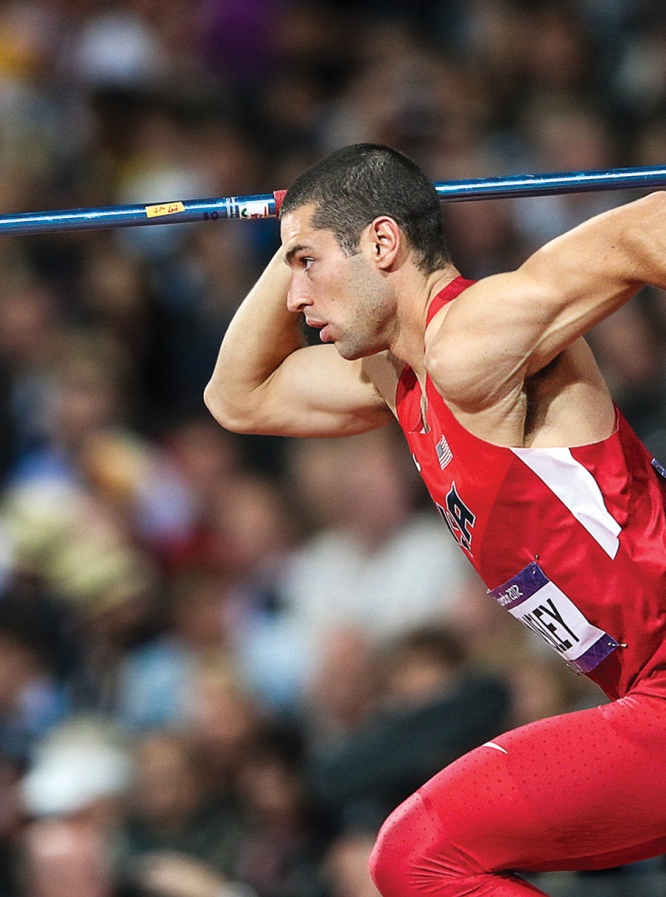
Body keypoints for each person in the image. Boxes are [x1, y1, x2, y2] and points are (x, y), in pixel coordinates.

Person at [204, 142, 666, 896]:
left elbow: (645, 229)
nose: (294, 297)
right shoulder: (399, 379)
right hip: (643, 695)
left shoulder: (475, 340)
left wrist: (307, 221)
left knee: (418, 851)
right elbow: (236, 397)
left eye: (307, 264)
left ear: (383, 243)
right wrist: (299, 223)